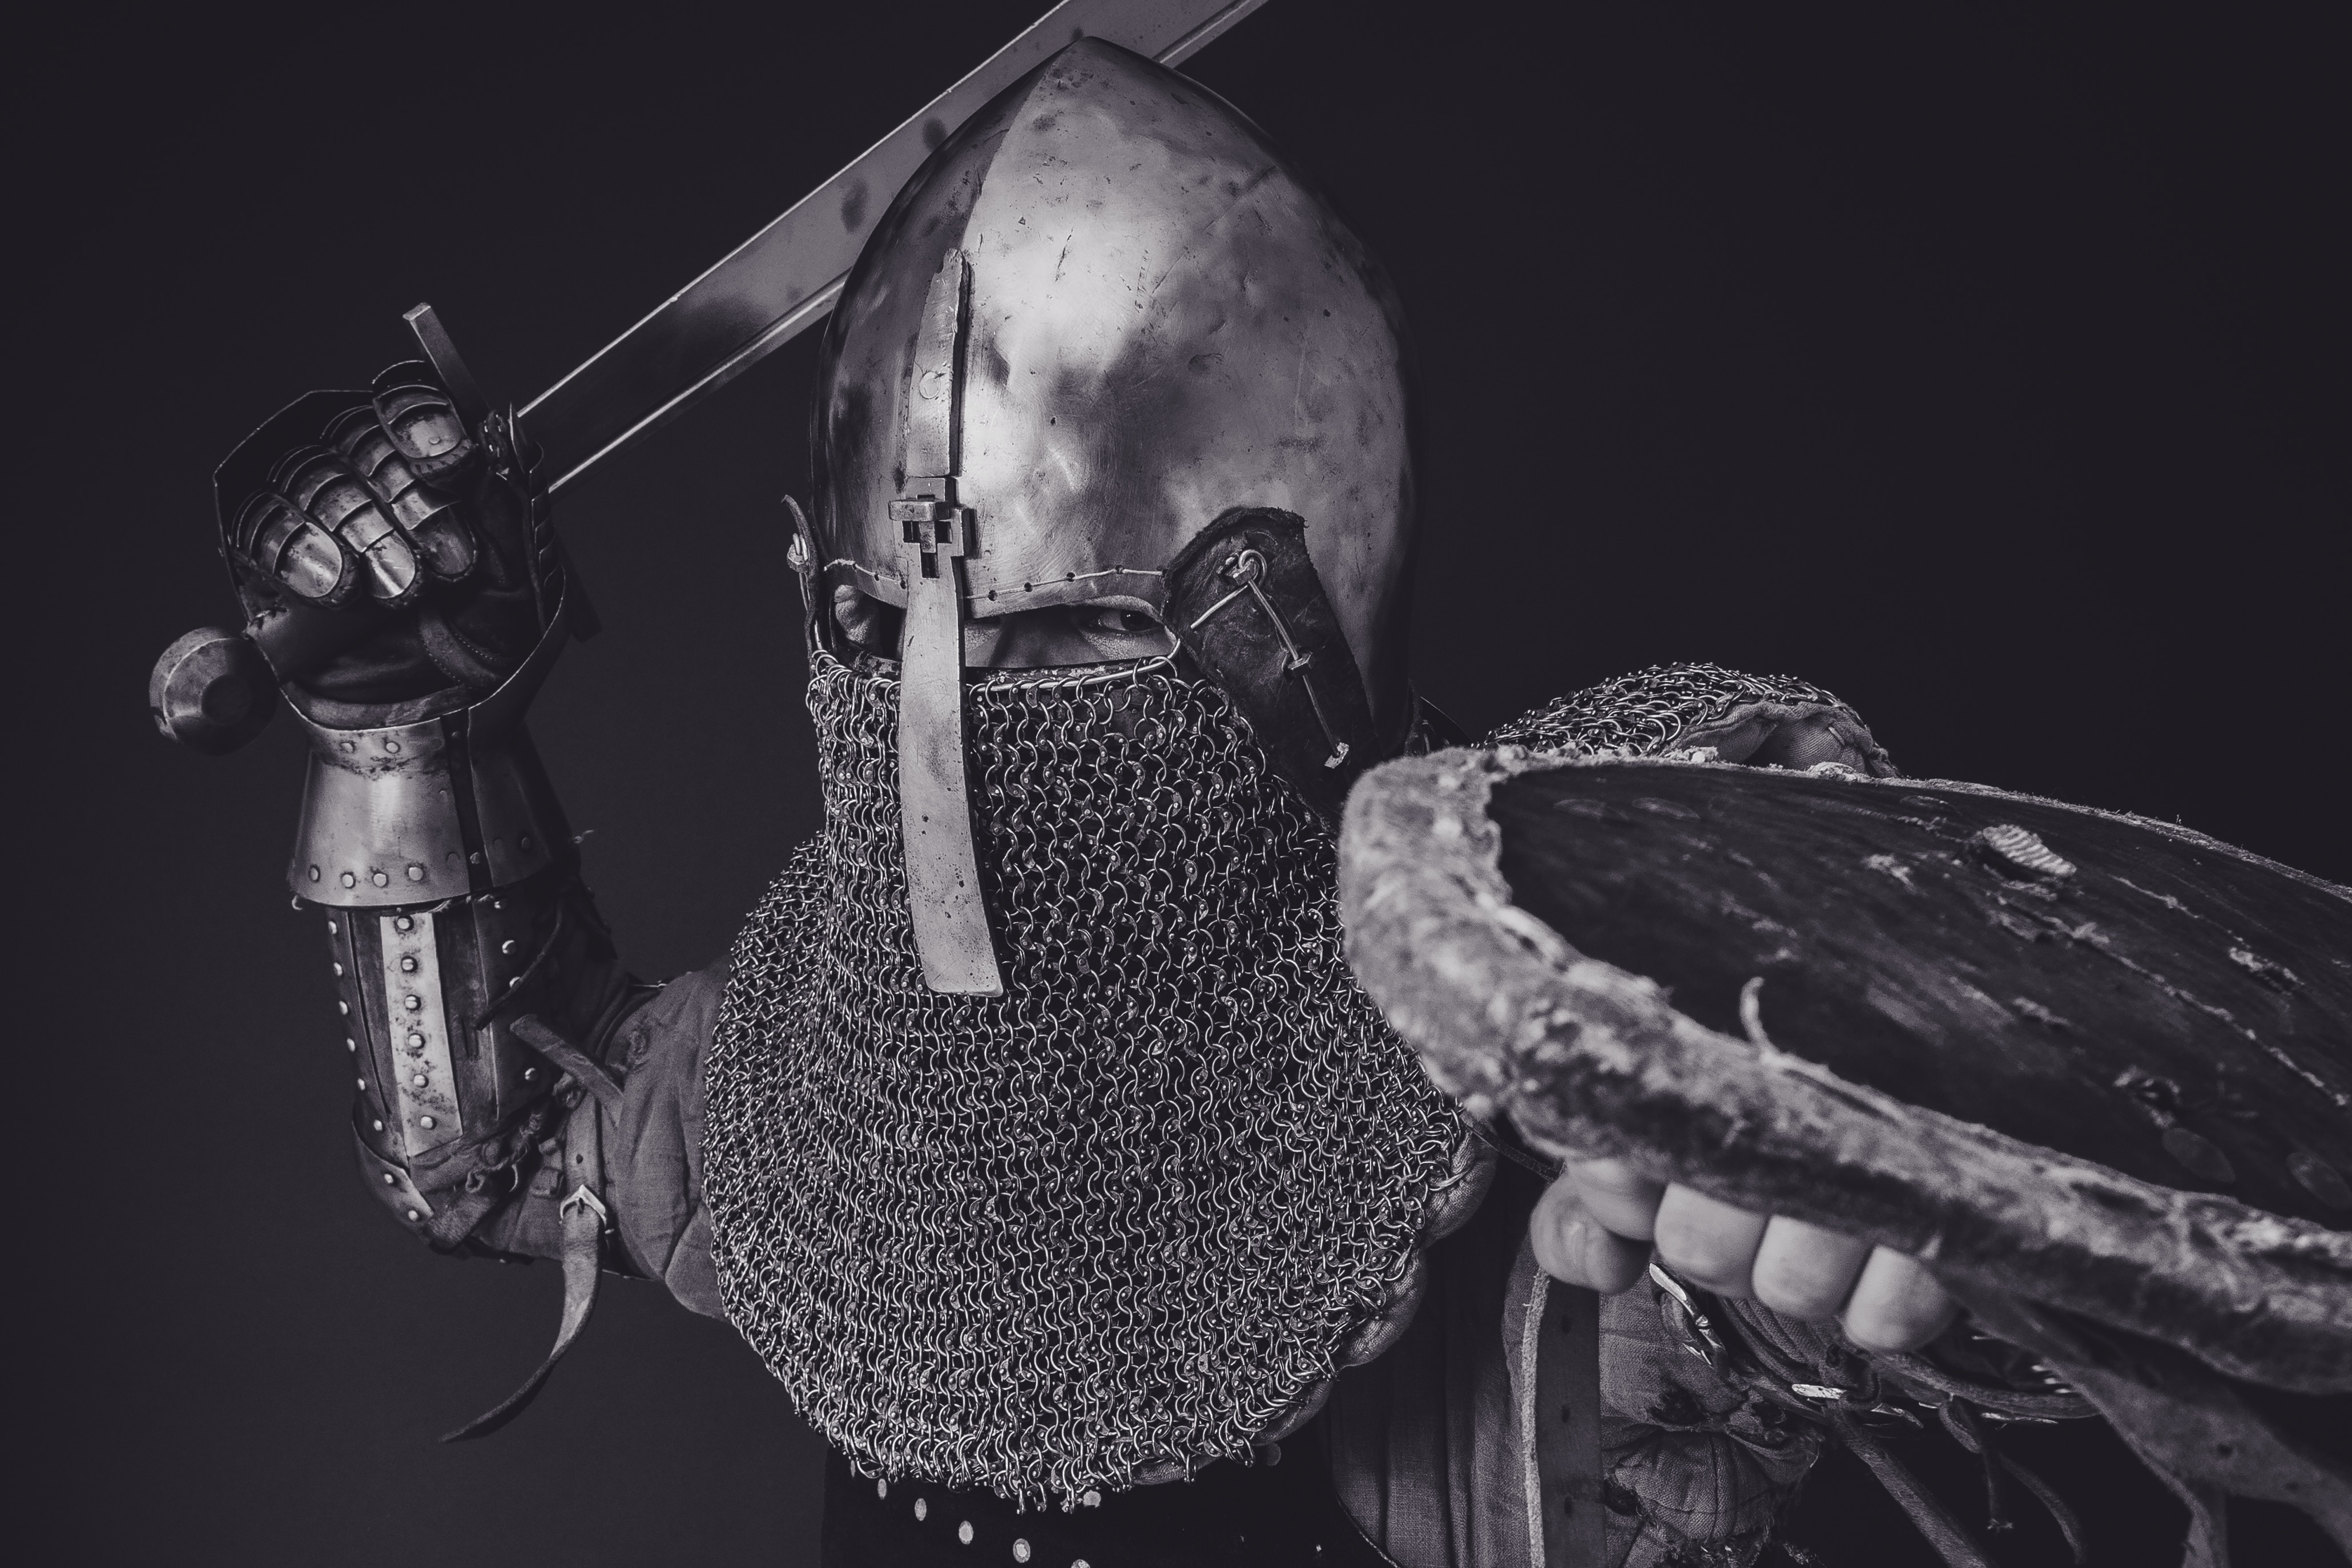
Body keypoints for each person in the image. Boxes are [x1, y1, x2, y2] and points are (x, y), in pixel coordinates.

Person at [193, 38, 2145, 1568]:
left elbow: (1891, 1255)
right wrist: (406, 738)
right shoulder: (828, 1088)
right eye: (882, 625)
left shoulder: (1558, 1049)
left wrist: (1889, 1192)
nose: (949, 741)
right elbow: (498, 1141)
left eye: (1069, 643)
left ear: (1288, 632)